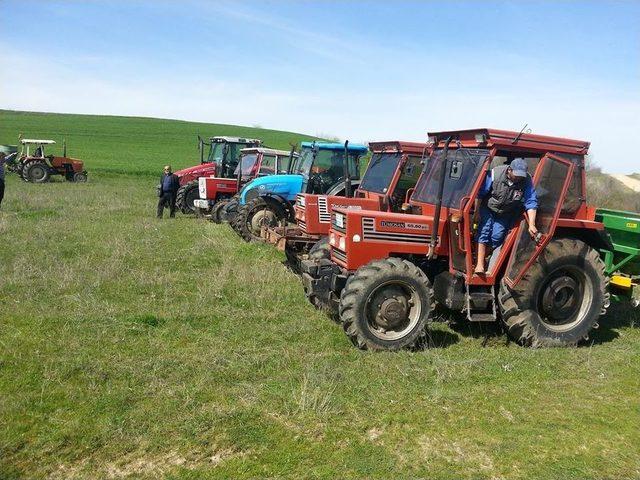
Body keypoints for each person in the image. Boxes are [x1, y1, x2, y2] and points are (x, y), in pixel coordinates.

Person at [474, 158, 538, 274]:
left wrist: (532, 224)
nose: (519, 178)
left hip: (505, 211)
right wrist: (477, 212)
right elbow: (480, 193)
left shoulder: (526, 180)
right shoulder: (495, 173)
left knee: (497, 237)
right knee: (484, 231)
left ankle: (482, 256)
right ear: (509, 170)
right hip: (488, 207)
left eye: (521, 175)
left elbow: (531, 201)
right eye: (516, 174)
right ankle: (479, 265)